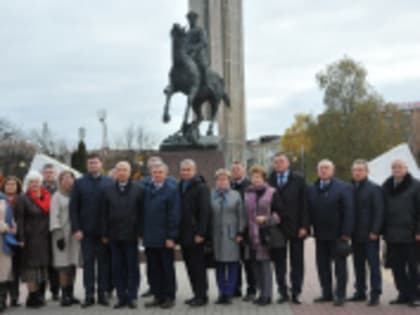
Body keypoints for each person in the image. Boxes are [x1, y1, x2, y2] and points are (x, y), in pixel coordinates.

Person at [70, 153, 114, 307]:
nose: (93, 165)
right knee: (88, 265)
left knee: (103, 265)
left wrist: (109, 231)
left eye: (95, 163)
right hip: (85, 232)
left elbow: (113, 208)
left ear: (101, 164)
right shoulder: (80, 183)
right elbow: (73, 208)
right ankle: (89, 295)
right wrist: (76, 228)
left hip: (104, 233)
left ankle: (102, 295)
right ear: (87, 165)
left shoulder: (110, 182)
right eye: (90, 163)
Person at [308, 159, 354, 306]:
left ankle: (340, 294)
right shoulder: (312, 188)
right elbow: (309, 210)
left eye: (326, 168)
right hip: (320, 235)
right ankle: (326, 293)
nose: (323, 170)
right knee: (322, 266)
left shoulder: (343, 187)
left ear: (332, 170)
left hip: (338, 235)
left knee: (340, 267)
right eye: (321, 168)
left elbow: (349, 211)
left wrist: (346, 232)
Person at [101, 161, 144, 309]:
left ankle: (132, 297)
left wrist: (140, 232)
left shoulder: (139, 189)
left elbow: (142, 213)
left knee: (132, 267)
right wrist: (105, 233)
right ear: (115, 172)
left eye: (124, 170)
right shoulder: (107, 190)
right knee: (117, 267)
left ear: (130, 172)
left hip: (132, 236)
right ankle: (121, 297)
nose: (122, 173)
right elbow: (104, 214)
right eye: (119, 170)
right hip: (114, 236)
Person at [268, 153, 309, 304]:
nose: (278, 164)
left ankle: (296, 292)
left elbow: (305, 204)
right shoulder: (270, 179)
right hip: (277, 228)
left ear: (288, 163)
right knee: (279, 262)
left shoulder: (298, 179)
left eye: (281, 161)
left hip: (297, 227)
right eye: (276, 162)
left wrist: (305, 226)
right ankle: (283, 292)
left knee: (297, 261)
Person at [382, 159, 420, 307]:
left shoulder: (416, 186)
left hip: (410, 234)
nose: (396, 169)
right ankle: (402, 293)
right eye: (394, 167)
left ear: (406, 169)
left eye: (399, 167)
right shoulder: (386, 186)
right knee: (396, 266)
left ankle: (415, 295)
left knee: (412, 267)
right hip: (391, 234)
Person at [143, 162, 180, 309]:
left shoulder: (171, 190)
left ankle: (169, 297)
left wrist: (171, 237)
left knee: (166, 269)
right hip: (150, 238)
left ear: (166, 174)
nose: (157, 175)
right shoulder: (147, 190)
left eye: (160, 172)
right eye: (155, 172)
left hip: (165, 239)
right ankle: (158, 296)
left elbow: (174, 215)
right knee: (153, 270)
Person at [349, 160, 384, 306]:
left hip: (370, 235)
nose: (357, 173)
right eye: (355, 170)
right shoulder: (350, 188)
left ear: (367, 172)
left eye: (360, 170)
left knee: (373, 265)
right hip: (355, 235)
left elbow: (379, 212)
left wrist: (375, 231)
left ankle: (375, 294)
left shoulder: (374, 189)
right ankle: (360, 292)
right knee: (358, 265)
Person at [178, 159, 211, 307]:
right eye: (183, 170)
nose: (185, 172)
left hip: (196, 234)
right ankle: (195, 293)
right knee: (189, 266)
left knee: (198, 266)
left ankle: (202, 296)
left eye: (188, 170)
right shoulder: (180, 186)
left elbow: (205, 212)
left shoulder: (201, 187)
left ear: (194, 171)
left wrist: (201, 233)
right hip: (184, 234)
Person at [16, 171, 51, 308]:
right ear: (27, 184)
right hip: (30, 239)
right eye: (31, 182)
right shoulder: (23, 199)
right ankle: (32, 297)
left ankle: (40, 295)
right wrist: (21, 238)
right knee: (31, 269)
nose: (34, 184)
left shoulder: (46, 196)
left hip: (45, 238)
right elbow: (20, 220)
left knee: (42, 268)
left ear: (41, 183)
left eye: (37, 181)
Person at [244, 165, 278, 306]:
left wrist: (266, 219)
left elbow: (279, 213)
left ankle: (267, 295)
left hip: (265, 234)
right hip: (251, 235)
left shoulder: (271, 192)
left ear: (263, 178)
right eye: (253, 177)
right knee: (255, 265)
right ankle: (260, 293)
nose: (256, 179)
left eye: (258, 177)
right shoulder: (248, 192)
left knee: (265, 266)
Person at [212, 169, 246, 305]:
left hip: (232, 235)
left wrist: (240, 232)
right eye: (219, 179)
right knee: (219, 264)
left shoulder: (236, 195)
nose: (222, 181)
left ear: (229, 181)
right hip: (216, 236)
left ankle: (229, 293)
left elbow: (241, 216)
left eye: (225, 179)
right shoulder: (211, 195)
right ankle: (221, 292)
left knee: (232, 264)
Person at [50, 171, 81, 307]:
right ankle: (64, 296)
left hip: (74, 234)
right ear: (60, 180)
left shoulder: (76, 194)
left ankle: (71, 293)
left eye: (70, 178)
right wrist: (58, 234)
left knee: (72, 264)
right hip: (61, 235)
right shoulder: (57, 196)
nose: (68, 180)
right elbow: (54, 216)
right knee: (63, 265)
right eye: (65, 178)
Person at [230, 161, 255, 301]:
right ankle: (236, 288)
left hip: (247, 230)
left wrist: (244, 230)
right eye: (233, 170)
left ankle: (251, 289)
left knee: (248, 262)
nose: (235, 172)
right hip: (233, 230)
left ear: (244, 171)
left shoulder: (250, 186)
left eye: (238, 169)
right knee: (235, 261)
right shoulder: (230, 186)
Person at [1, 176, 22, 307]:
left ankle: (14, 298)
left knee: (15, 269)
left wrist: (15, 230)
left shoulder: (22, 199)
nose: (10, 186)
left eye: (13, 184)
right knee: (3, 270)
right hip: (3, 239)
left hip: (17, 238)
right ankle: (2, 299)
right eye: (8, 184)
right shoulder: (1, 199)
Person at [42, 164, 60, 302]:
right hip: (40, 231)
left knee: (56, 262)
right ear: (43, 174)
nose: (49, 175)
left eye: (51, 172)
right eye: (46, 172)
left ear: (55, 174)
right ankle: (41, 292)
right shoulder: (37, 188)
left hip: (57, 229)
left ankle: (55, 291)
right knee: (43, 262)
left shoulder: (61, 188)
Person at [0, 193, 18, 313]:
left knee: (4, 272)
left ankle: (2, 300)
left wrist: (13, 228)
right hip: (3, 233)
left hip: (4, 242)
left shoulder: (3, 199)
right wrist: (4, 227)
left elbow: (10, 219)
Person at [185, 11, 210, 85]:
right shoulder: (187, 33)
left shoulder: (200, 30)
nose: (190, 21)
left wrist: (194, 48)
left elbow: (204, 42)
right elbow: (185, 45)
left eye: (192, 19)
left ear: (195, 20)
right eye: (189, 19)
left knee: (202, 68)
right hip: (189, 56)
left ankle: (207, 84)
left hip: (198, 55)